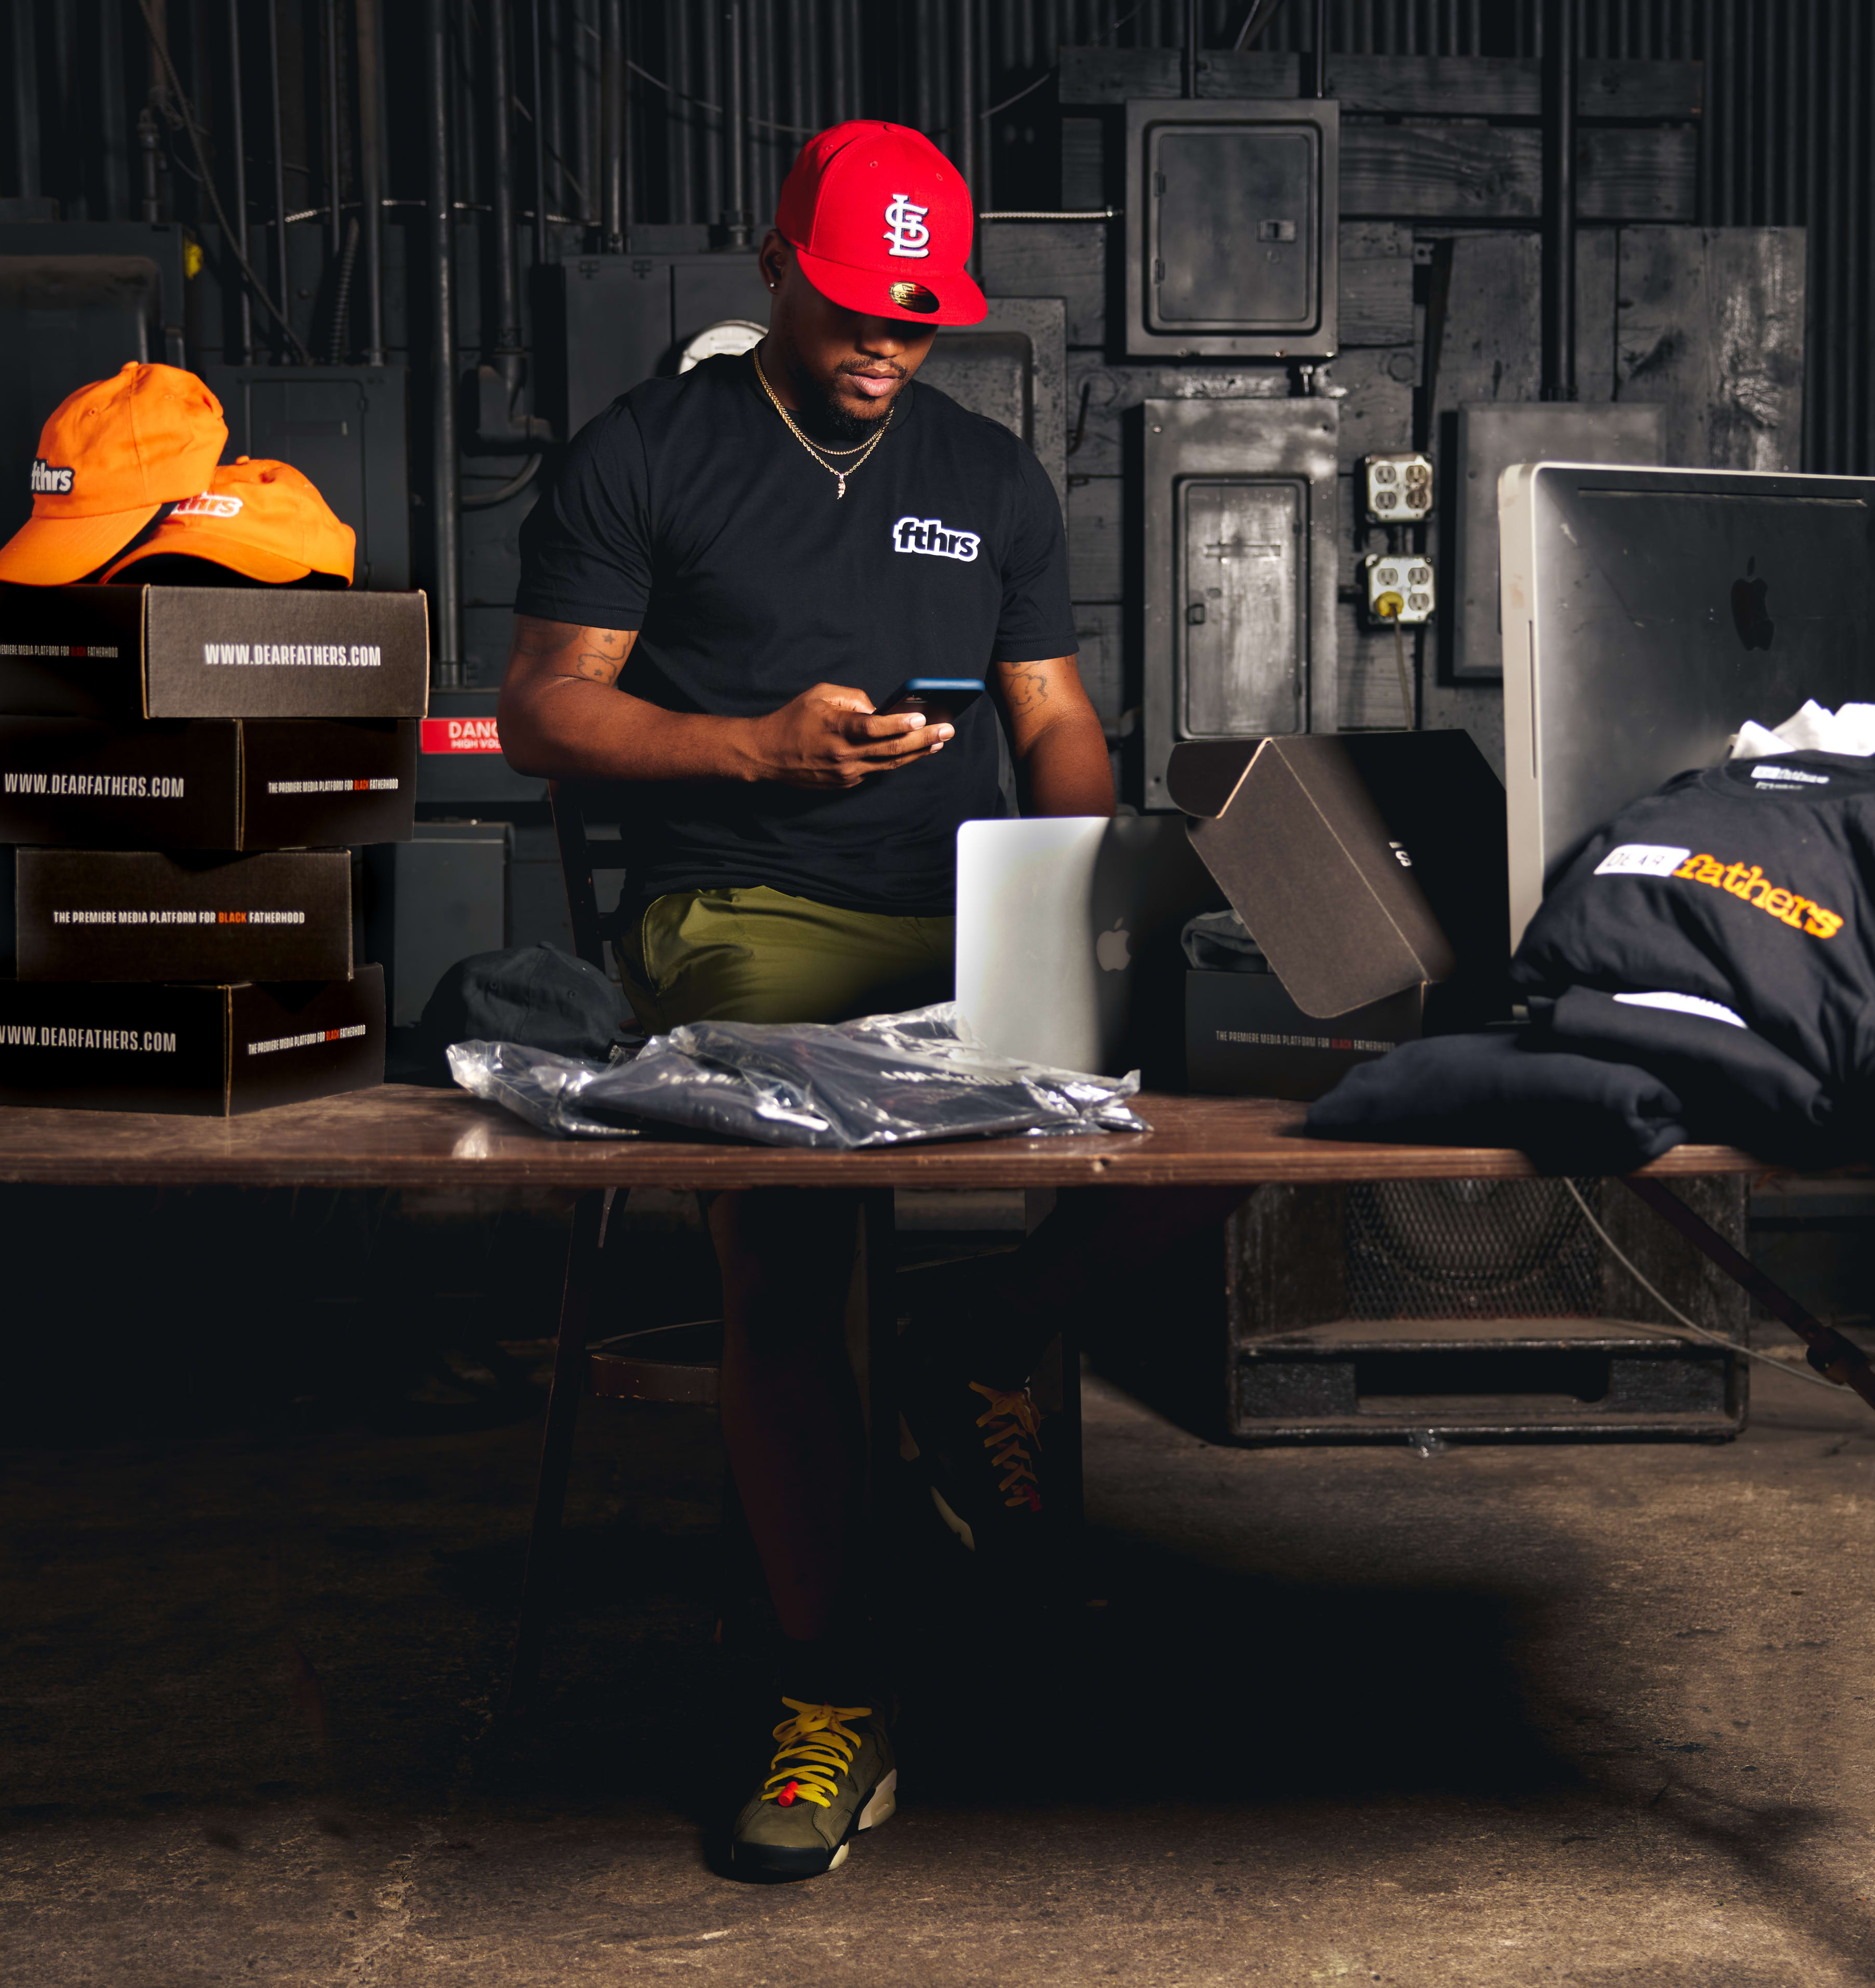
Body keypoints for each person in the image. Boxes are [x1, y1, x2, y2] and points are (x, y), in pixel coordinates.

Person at [499, 119, 1113, 1879]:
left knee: (1262, 1088)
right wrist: (749, 748)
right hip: (738, 909)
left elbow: (1054, 716)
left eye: (919, 319)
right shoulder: (652, 455)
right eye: (854, 305)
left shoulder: (989, 476)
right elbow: (545, 706)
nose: (884, 344)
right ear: (775, 268)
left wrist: (1080, 879)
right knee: (784, 1233)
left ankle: (983, 1331)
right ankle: (829, 1691)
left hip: (961, 904)